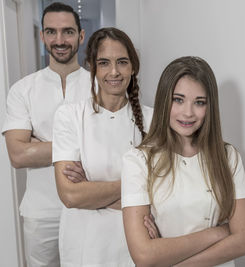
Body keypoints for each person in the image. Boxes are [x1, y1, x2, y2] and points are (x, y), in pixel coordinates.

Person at [121, 56, 245, 266]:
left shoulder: (227, 156)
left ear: (210, 107)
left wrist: (168, 257)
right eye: (178, 99)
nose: (188, 113)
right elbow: (144, 255)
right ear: (164, 101)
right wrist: (219, 232)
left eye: (199, 102)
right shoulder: (137, 161)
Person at [52, 27, 152, 267]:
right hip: (86, 245)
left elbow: (162, 190)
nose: (114, 72)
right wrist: (135, 188)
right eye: (104, 63)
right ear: (92, 67)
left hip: (138, 244)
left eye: (122, 62)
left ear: (133, 67)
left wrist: (92, 189)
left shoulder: (153, 120)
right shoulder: (70, 116)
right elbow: (70, 195)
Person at [2, 2, 90, 266]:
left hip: (89, 205)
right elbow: (17, 155)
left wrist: (39, 146)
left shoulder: (99, 86)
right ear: (42, 36)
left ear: (80, 36)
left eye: (68, 32)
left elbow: (113, 144)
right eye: (51, 32)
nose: (59, 40)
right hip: (41, 212)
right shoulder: (22, 90)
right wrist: (81, 144)